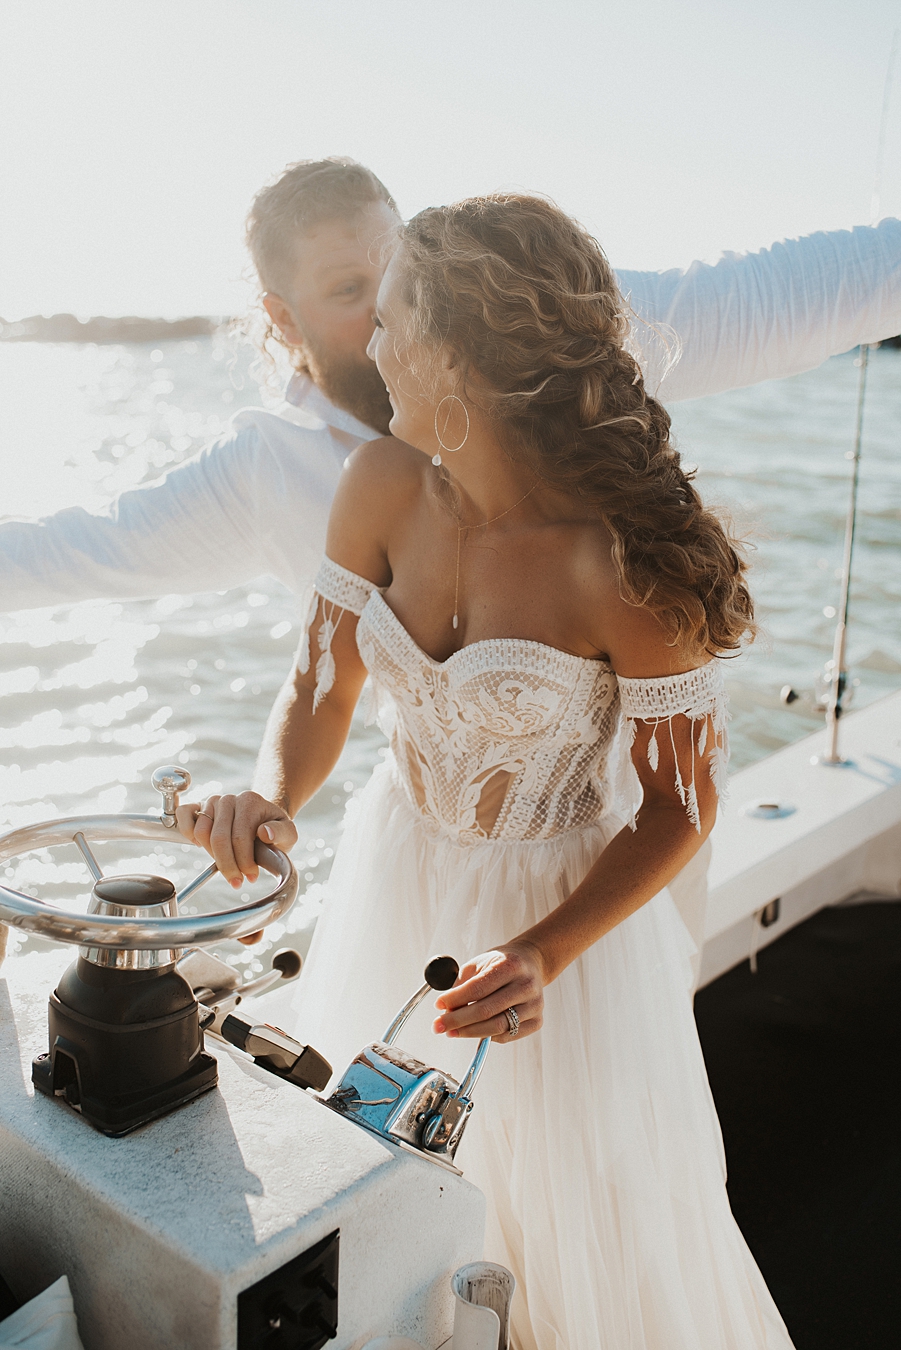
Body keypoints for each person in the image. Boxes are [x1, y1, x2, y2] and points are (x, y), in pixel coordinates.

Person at [177, 194, 794, 1348]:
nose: (372, 345)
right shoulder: (378, 488)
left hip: (555, 934)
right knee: (387, 1218)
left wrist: (540, 951)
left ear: (465, 357)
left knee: (574, 1239)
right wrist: (272, 795)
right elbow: (319, 684)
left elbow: (679, 804)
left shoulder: (622, 557)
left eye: (397, 316)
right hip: (396, 869)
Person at [2, 156, 901, 613]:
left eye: (396, 267)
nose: (393, 307)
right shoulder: (264, 474)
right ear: (283, 320)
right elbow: (82, 550)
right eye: (350, 294)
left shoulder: (554, 336)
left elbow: (788, 294)